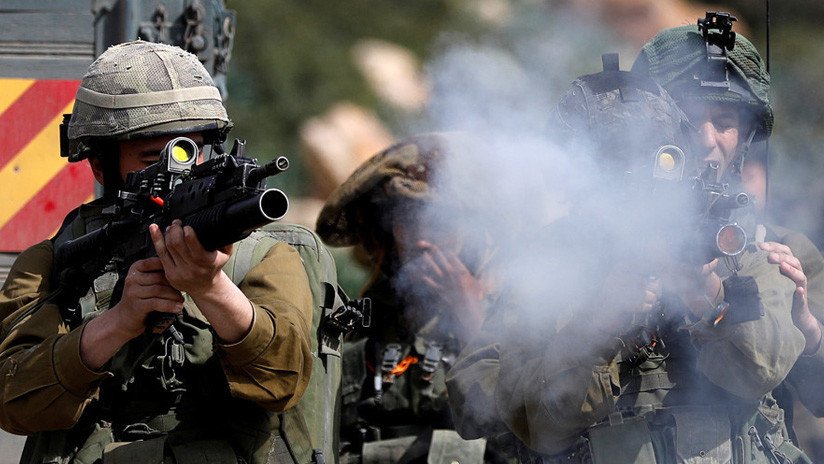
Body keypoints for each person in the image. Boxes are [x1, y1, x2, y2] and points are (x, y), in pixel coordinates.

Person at [446, 57, 811, 462]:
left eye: (723, 121)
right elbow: (536, 422)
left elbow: (763, 369)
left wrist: (705, 291)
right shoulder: (556, 262)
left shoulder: (746, 245)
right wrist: (603, 316)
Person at [0, 41, 315, 463]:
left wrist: (211, 288)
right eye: (153, 156)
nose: (178, 169)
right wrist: (119, 321)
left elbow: (283, 383)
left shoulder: (264, 255)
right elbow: (12, 401)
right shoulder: (53, 262)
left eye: (190, 150)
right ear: (100, 166)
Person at [631, 16, 824, 459]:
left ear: (746, 137)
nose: (706, 140)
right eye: (685, 119)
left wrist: (809, 334)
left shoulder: (781, 252)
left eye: (724, 121)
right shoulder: (597, 243)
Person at [315, 133, 512, 464]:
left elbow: (527, 423)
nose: (423, 239)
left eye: (441, 222)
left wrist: (470, 315)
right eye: (408, 220)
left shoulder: (510, 320)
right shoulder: (356, 326)